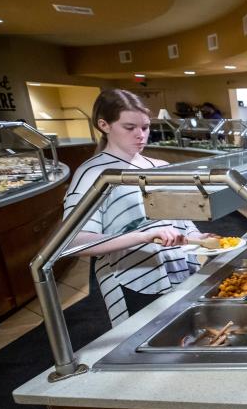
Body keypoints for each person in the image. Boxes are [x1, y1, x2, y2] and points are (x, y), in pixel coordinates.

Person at [63, 89, 212, 325]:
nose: (140, 135)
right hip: (133, 281)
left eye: (145, 127)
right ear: (104, 125)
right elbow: (74, 241)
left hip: (182, 270)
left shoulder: (159, 166)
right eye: (130, 128)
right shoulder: (93, 174)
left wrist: (197, 236)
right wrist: (144, 236)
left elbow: (180, 218)